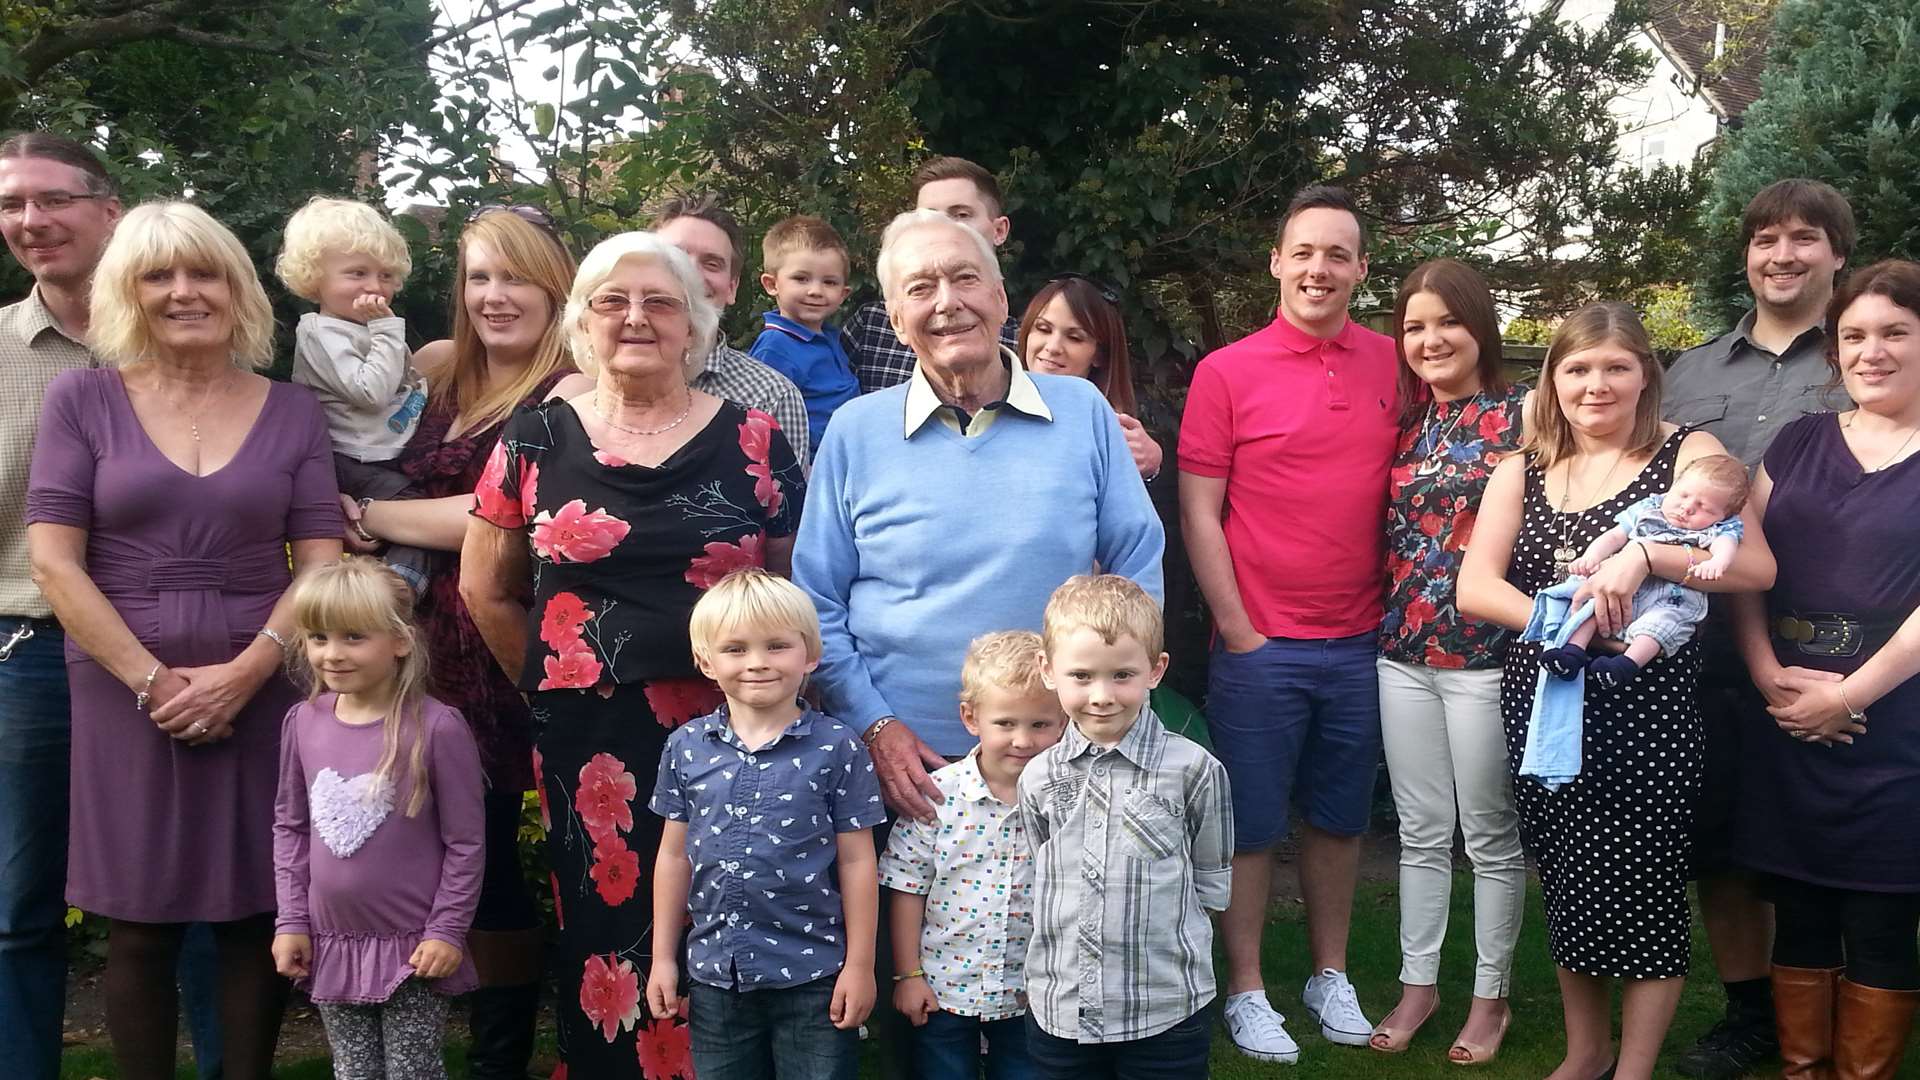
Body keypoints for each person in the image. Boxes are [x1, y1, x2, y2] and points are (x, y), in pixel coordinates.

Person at [461, 230, 805, 1079]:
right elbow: (485, 589)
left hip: (737, 728)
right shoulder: (535, 438)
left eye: (660, 302)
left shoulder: (755, 436)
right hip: (590, 736)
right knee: (605, 924)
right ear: (583, 323)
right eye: (612, 302)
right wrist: (553, 683)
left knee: (730, 911)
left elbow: (794, 590)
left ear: (696, 324)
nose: (636, 318)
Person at [26, 200, 345, 1079]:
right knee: (137, 920)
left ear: (236, 288)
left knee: (254, 909)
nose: (182, 292)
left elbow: (320, 562)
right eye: (157, 275)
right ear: (127, 292)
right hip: (120, 685)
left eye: (202, 272)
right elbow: (55, 562)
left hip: (264, 678)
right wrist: (152, 683)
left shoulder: (291, 410)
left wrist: (248, 673)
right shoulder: (81, 399)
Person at [1456, 302, 1775, 1080]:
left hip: (1648, 710)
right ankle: (1586, 1052)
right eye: (1577, 369)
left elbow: (1755, 569)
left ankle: (1632, 1067)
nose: (1595, 385)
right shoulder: (1520, 467)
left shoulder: (1687, 453)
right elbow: (1474, 587)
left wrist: (1646, 561)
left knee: (1643, 884)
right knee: (1568, 879)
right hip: (1547, 695)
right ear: (1553, 380)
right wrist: (1564, 616)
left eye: (1614, 368)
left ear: (1644, 377)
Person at [1177, 184, 1397, 1062]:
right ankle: (1247, 987)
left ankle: (1330, 974)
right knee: (1252, 824)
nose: (1319, 268)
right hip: (1262, 641)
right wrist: (1237, 629)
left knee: (1341, 818)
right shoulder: (1225, 371)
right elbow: (1199, 512)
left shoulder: (1392, 361)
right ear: (1277, 261)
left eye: (1337, 254)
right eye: (1304, 251)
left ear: (1361, 270)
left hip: (1363, 638)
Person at [371, 206, 591, 1079]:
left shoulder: (571, 388)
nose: (496, 296)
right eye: (479, 277)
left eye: (517, 277)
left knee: (489, 850)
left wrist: (371, 517)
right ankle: (399, 1043)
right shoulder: (432, 370)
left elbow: (500, 516)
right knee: (401, 852)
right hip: (402, 645)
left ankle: (499, 1053)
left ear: (555, 288)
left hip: (494, 645)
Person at [1661, 178, 1854, 1080]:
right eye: (1767, 238)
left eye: (1804, 238)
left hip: (1836, 641)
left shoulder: (1860, 361)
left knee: (1831, 833)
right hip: (1701, 646)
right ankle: (1750, 1014)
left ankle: (1838, 998)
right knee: (1723, 837)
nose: (1783, 254)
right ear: (1747, 253)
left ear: (1837, 254)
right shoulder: (1688, 374)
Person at [1729, 259, 1920, 1080]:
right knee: (1799, 912)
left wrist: (1848, 694)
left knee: (1881, 918)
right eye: (1854, 336)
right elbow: (1740, 559)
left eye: (1894, 333)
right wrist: (1768, 671)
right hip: (1785, 715)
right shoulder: (1798, 440)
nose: (1871, 352)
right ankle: (1801, 1070)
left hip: (1897, 722)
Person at [1371, 258, 1529, 1062]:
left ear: (1480, 327)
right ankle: (1418, 985)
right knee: (1421, 830)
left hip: (1485, 658)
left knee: (1491, 837)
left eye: (1448, 322)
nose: (1431, 340)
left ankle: (1491, 998)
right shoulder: (1406, 425)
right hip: (1400, 650)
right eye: (1415, 326)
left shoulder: (1527, 418)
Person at [645, 568, 884, 1079]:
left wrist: (861, 967)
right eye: (735, 649)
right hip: (716, 975)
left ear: (810, 655)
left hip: (815, 974)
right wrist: (663, 958)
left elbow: (858, 860)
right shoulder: (686, 748)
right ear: (705, 661)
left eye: (777, 646)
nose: (757, 663)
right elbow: (671, 855)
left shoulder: (837, 748)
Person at [0, 129, 123, 1080]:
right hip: (26, 655)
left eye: (52, 199)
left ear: (109, 209)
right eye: (12, 206)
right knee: (16, 906)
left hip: (175, 649)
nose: (31, 221)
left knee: (194, 892)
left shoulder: (186, 332)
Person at [271, 557, 484, 1080]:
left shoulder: (438, 728)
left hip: (414, 949)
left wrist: (447, 931)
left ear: (400, 641)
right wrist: (292, 921)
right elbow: (291, 827)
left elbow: (466, 843)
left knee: (412, 1071)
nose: (333, 654)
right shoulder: (303, 722)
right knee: (353, 1069)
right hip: (330, 943)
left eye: (353, 637)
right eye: (318, 638)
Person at [1018, 574, 1232, 1077]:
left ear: (1156, 671)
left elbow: (1210, 876)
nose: (1101, 695)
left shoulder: (1195, 770)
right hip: (1062, 1005)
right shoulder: (1040, 777)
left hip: (1164, 1007)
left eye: (1121, 675)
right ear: (1048, 670)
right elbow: (1040, 869)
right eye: (1082, 676)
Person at [879, 630, 1065, 1080]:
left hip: (1031, 992)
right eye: (1005, 723)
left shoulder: (1067, 802)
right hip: (944, 988)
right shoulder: (938, 798)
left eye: (1040, 724)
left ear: (1064, 721)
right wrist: (908, 975)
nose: (1023, 740)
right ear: (971, 717)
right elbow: (907, 888)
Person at [276, 196, 433, 593]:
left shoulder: (364, 329)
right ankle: (393, 595)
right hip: (354, 457)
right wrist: (387, 331)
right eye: (356, 273)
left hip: (381, 453)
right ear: (316, 280)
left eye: (384, 276)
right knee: (418, 520)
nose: (374, 287)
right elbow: (371, 392)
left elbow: (407, 383)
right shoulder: (320, 333)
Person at [1542, 456, 1750, 689]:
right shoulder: (1649, 507)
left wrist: (1718, 562)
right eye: (1683, 495)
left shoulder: (1720, 528)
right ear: (1673, 486)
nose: (1688, 507)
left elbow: (1726, 546)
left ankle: (1625, 665)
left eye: (1705, 508)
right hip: (1622, 587)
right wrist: (1591, 557)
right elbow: (1614, 536)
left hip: (1671, 597)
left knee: (1660, 627)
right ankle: (1571, 653)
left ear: (1725, 516)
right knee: (1590, 605)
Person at [650, 193, 813, 465]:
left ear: (732, 287)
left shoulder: (770, 396)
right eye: (675, 257)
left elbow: (789, 506)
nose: (691, 273)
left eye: (711, 263)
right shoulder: (593, 384)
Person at [845, 156, 1019, 393]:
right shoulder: (871, 327)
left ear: (999, 230)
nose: (943, 227)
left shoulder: (1028, 343)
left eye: (961, 215)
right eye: (929, 217)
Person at [1017, 274, 1162, 478]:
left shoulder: (1108, 428)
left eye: (1074, 338)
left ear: (1099, 355)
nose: (1053, 347)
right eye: (1043, 329)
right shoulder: (987, 402)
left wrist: (1148, 467)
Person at [749, 214, 858, 456]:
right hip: (810, 465)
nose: (816, 291)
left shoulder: (830, 337)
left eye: (829, 282)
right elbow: (761, 421)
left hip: (847, 452)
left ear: (843, 293)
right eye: (801, 278)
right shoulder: (775, 347)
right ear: (771, 284)